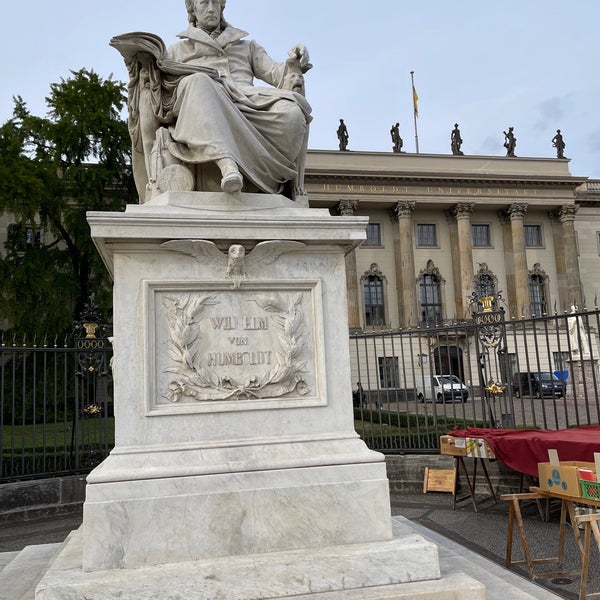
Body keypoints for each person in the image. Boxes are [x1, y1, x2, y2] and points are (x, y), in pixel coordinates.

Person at [117, 0, 313, 201]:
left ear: (222, 7)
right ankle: (227, 164)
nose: (210, 8)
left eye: (215, 3)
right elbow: (162, 89)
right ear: (192, 9)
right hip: (200, 104)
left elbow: (277, 74)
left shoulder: (247, 47)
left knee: (293, 110)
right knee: (199, 82)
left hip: (247, 101)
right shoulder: (177, 51)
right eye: (203, 2)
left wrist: (294, 63)